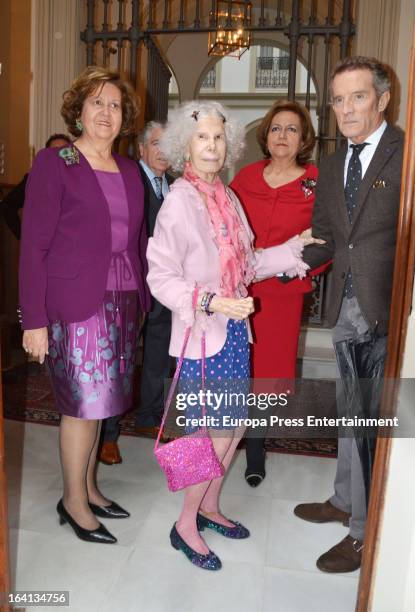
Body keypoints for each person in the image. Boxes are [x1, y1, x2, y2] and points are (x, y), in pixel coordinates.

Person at [146, 101, 316, 570]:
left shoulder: (226, 196)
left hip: (236, 334)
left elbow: (248, 263)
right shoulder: (179, 201)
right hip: (202, 335)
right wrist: (211, 301)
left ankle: (209, 505)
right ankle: (185, 524)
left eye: (219, 138)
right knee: (209, 433)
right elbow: (160, 276)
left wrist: (292, 249)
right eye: (202, 137)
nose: (212, 145)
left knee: (233, 426)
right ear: (186, 144)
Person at [19, 66, 150, 544]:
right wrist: (33, 320)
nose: (106, 112)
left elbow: (136, 241)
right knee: (81, 404)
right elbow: (33, 245)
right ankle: (72, 501)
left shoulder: (132, 169)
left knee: (105, 402)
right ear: (78, 109)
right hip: (76, 304)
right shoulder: (56, 163)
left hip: (124, 298)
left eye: (115, 105)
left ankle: (90, 487)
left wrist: (146, 301)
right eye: (97, 103)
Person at [293, 56, 403, 572]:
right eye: (338, 99)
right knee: (348, 412)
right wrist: (287, 260)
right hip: (345, 307)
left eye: (358, 96)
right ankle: (343, 500)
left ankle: (363, 530)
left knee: (368, 422)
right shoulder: (334, 166)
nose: (346, 108)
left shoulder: (406, 155)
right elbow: (328, 238)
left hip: (387, 311)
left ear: (383, 99)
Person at [231, 100, 326, 487]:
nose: (282, 135)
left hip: (281, 296)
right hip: (239, 292)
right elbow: (228, 228)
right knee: (236, 366)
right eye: (275, 128)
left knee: (267, 374)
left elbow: (327, 239)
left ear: (303, 138)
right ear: (265, 136)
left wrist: (297, 270)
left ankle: (256, 450)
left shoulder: (315, 182)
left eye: (291, 129)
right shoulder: (246, 177)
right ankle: (224, 440)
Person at [99, 121, 174, 465]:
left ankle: (149, 417)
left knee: (159, 354)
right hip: (131, 284)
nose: (163, 151)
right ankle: (107, 435)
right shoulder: (128, 179)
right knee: (120, 359)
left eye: (168, 145)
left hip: (165, 286)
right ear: (142, 148)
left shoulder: (174, 187)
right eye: (156, 144)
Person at [1, 134, 71, 240]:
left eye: (65, 151)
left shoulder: (79, 180)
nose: (60, 156)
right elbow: (8, 205)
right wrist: (24, 237)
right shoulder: (34, 179)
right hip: (44, 248)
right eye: (54, 151)